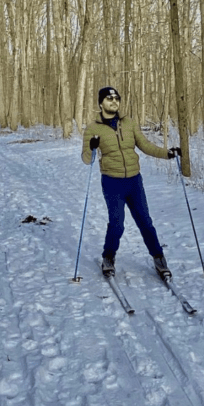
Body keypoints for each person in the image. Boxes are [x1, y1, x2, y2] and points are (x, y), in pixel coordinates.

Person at [82, 86, 181, 279]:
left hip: (134, 181)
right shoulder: (93, 128)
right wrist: (92, 147)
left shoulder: (129, 123)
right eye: (109, 98)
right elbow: (87, 159)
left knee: (145, 222)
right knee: (117, 224)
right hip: (112, 182)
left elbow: (145, 145)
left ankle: (159, 258)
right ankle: (108, 257)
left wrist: (167, 153)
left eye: (117, 98)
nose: (114, 101)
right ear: (101, 103)